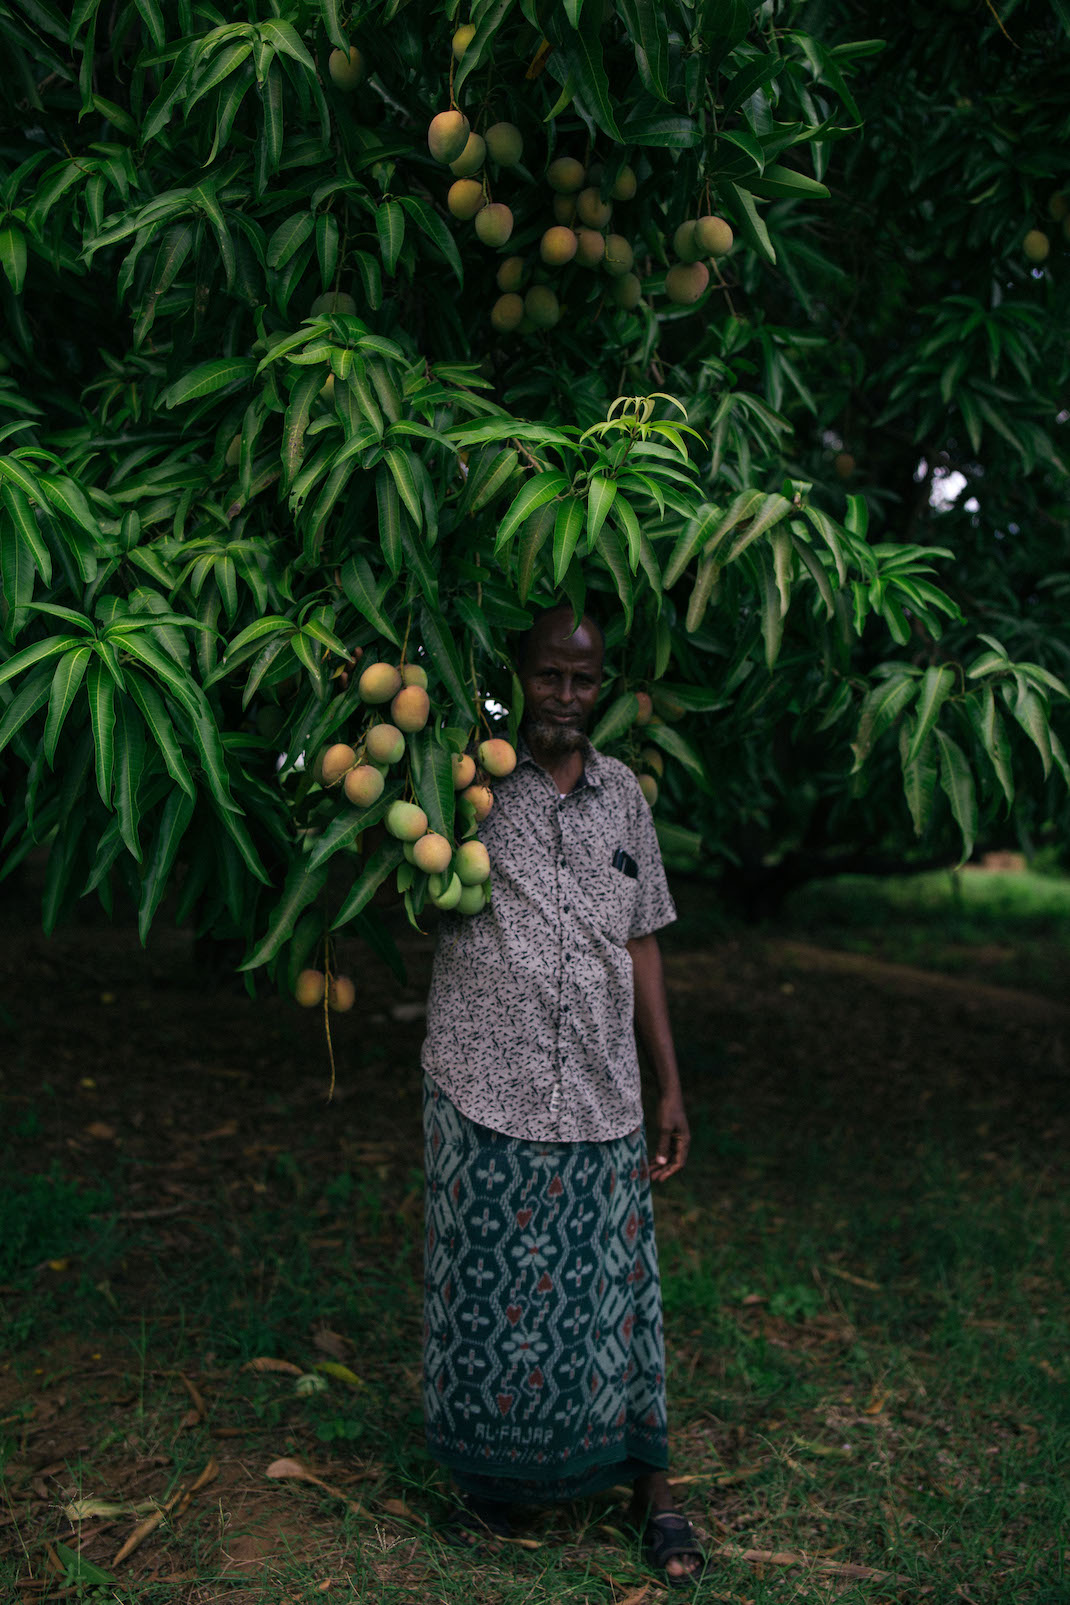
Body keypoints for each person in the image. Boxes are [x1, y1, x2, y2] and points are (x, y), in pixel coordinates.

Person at [419, 603, 705, 1587]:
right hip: (482, 1076)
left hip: (600, 1086)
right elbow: (407, 862)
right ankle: (494, 1475)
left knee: (618, 1296)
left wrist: (669, 1082)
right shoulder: (468, 780)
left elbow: (642, 938)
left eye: (583, 682)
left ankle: (648, 1487)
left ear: (603, 688)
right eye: (549, 677)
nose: (566, 698)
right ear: (520, 674)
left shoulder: (624, 793)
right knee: (488, 1291)